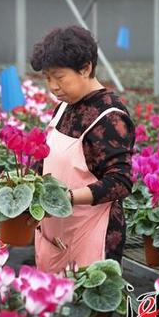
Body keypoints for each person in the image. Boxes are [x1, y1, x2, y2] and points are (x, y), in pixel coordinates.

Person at [31, 25, 135, 273]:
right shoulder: (65, 107)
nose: (53, 86)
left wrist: (65, 199)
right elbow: (47, 160)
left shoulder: (109, 116)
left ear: (86, 68)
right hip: (54, 232)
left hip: (91, 236)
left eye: (59, 77)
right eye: (47, 78)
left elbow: (120, 182)